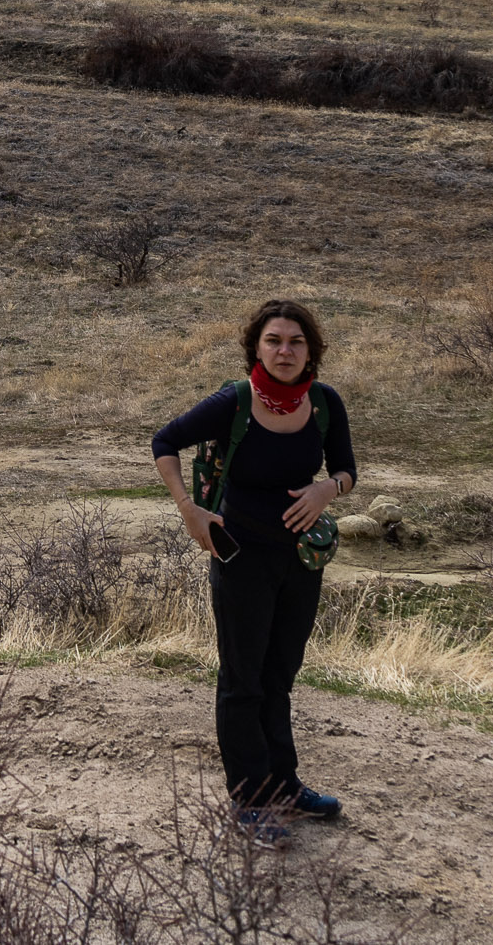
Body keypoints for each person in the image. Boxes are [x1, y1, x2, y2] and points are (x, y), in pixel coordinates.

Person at [151, 298, 355, 846]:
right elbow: (164, 442)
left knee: (279, 676)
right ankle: (248, 798)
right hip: (238, 557)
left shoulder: (325, 403)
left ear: (310, 350)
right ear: (256, 347)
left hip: (301, 562)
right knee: (242, 680)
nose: (284, 351)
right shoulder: (234, 402)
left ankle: (283, 786)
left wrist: (326, 489)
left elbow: (346, 469)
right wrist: (189, 511)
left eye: (295, 342)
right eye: (274, 341)